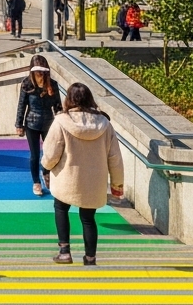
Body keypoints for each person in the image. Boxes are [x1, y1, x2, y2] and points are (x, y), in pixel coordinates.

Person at [43, 83, 125, 265]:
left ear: (69, 99)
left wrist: (46, 167)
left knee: (60, 208)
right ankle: (90, 258)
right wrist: (117, 184)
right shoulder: (104, 124)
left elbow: (51, 152)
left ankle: (64, 251)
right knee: (88, 218)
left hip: (67, 177)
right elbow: (115, 157)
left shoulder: (61, 121)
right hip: (94, 180)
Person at [15, 56, 63, 197]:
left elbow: (58, 105)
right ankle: (36, 182)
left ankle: (47, 174)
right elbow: (21, 105)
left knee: (50, 153)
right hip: (32, 123)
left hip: (49, 123)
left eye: (42, 72)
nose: (40, 75)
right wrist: (19, 124)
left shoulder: (52, 84)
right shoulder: (27, 84)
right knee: (35, 155)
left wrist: (62, 121)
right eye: (37, 72)